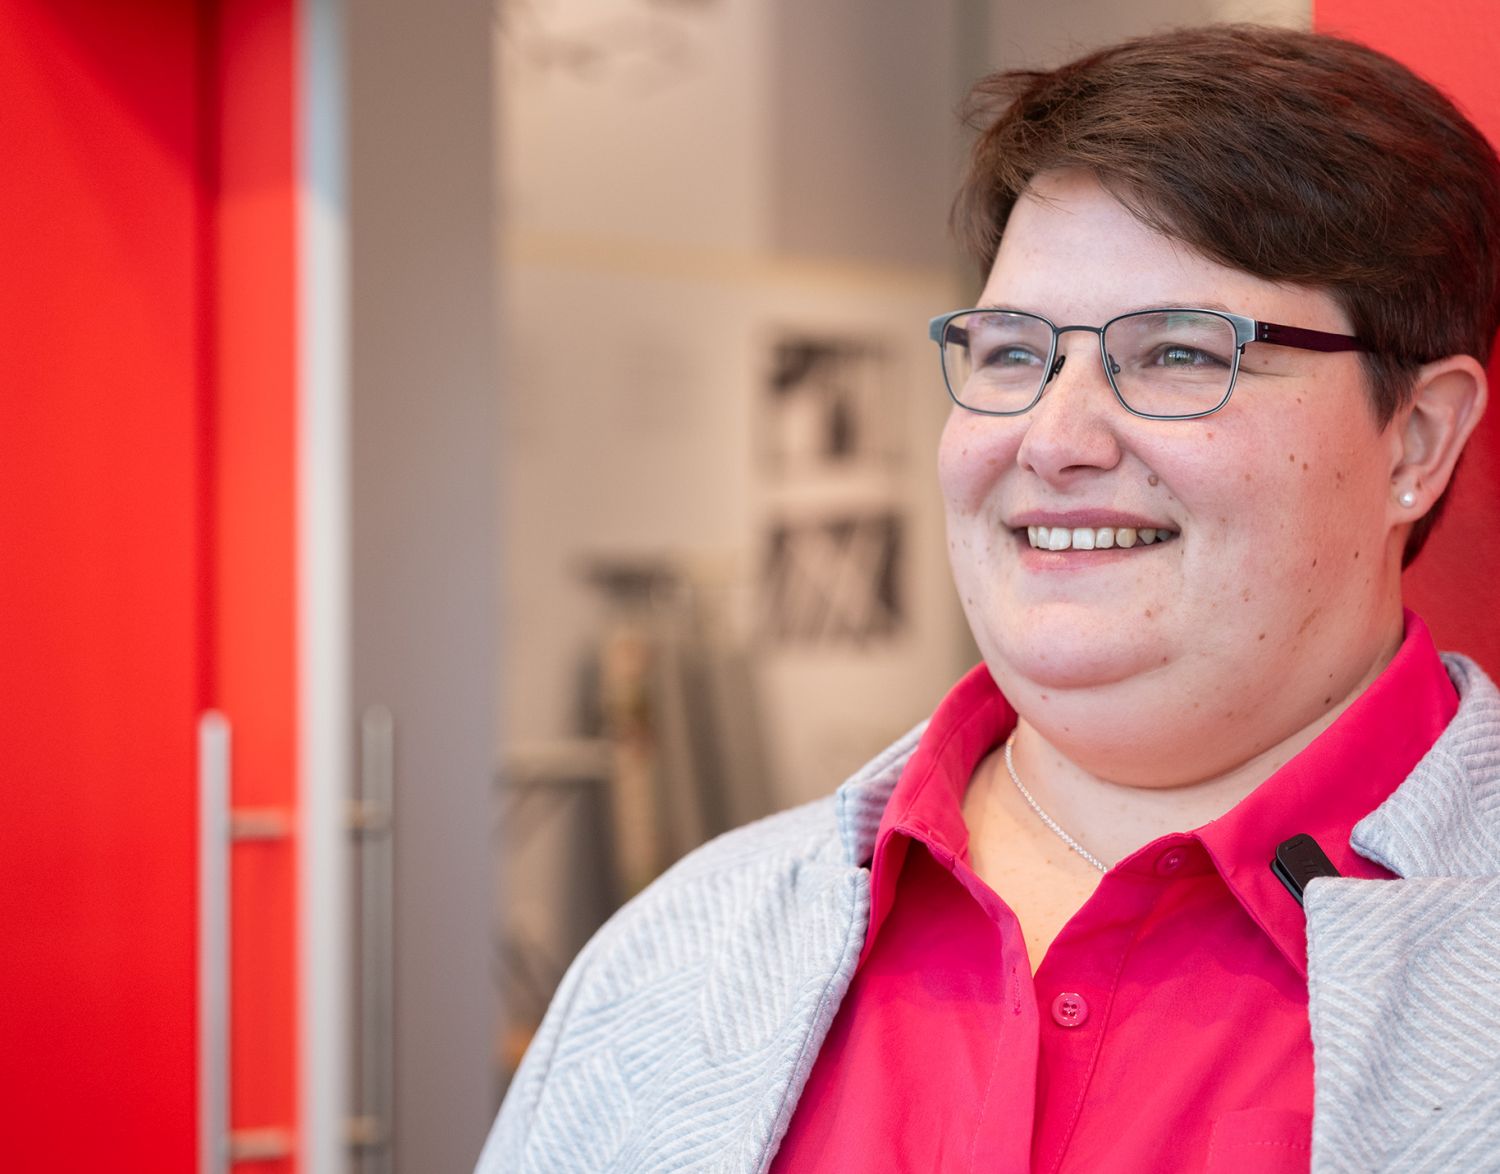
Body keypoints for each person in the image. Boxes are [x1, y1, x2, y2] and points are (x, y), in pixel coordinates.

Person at [478, 24, 1500, 1173]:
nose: (1052, 439)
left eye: (1176, 353)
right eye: (1012, 352)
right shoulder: (681, 951)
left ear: (1417, 437)